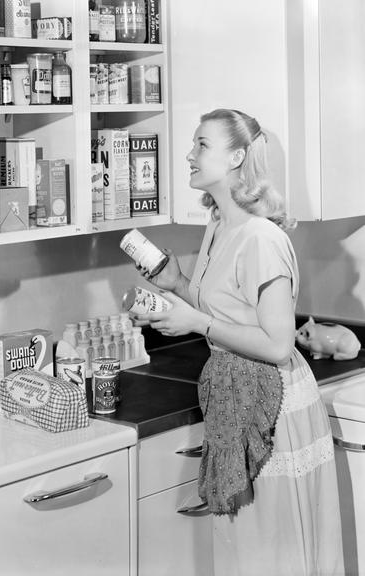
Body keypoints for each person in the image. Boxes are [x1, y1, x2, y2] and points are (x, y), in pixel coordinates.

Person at [134, 109, 344, 576]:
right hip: (236, 394)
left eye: (201, 145)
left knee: (270, 544)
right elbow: (225, 310)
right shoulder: (218, 226)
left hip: (273, 404)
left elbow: (276, 345)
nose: (189, 154)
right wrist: (177, 283)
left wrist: (195, 323)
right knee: (245, 546)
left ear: (236, 156)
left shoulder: (261, 237)